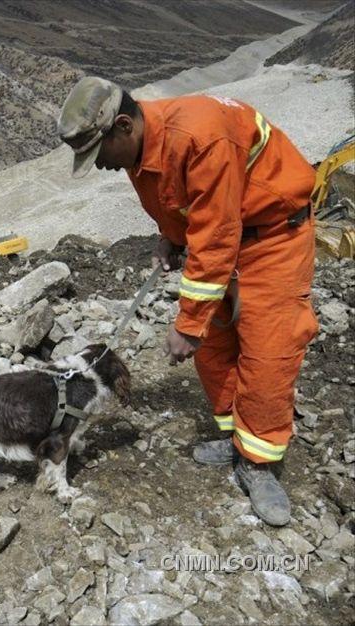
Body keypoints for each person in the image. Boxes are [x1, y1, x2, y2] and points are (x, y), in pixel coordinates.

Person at [57, 76, 318, 526]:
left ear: (123, 126)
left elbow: (217, 234)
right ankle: (237, 436)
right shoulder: (142, 149)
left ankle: (258, 464)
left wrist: (188, 323)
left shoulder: (200, 136)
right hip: (222, 243)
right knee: (215, 352)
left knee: (267, 353)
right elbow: (185, 205)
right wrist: (170, 237)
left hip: (272, 241)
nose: (99, 165)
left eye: (99, 154)